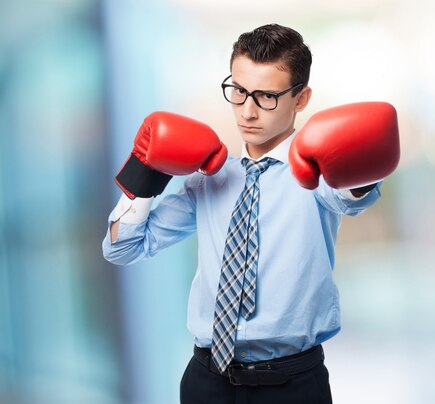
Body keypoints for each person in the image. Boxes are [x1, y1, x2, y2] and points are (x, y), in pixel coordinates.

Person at [103, 23, 400, 404]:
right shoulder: (209, 178)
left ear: (301, 98)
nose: (248, 110)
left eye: (266, 96)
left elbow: (354, 198)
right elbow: (122, 249)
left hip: (292, 384)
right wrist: (144, 172)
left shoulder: (318, 175)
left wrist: (361, 173)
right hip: (206, 380)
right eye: (239, 91)